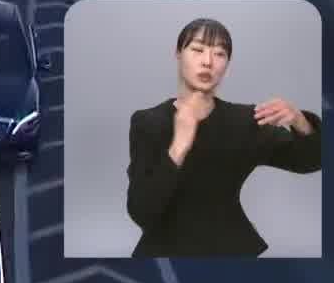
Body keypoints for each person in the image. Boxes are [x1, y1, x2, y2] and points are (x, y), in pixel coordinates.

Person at [125, 17, 323, 257]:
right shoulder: (148, 121)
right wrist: (178, 146)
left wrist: (299, 121)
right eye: (197, 49)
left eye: (219, 54)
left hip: (230, 248)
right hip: (165, 251)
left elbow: (309, 161)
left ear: (227, 64)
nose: (207, 61)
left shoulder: (247, 120)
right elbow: (141, 211)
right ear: (178, 54)